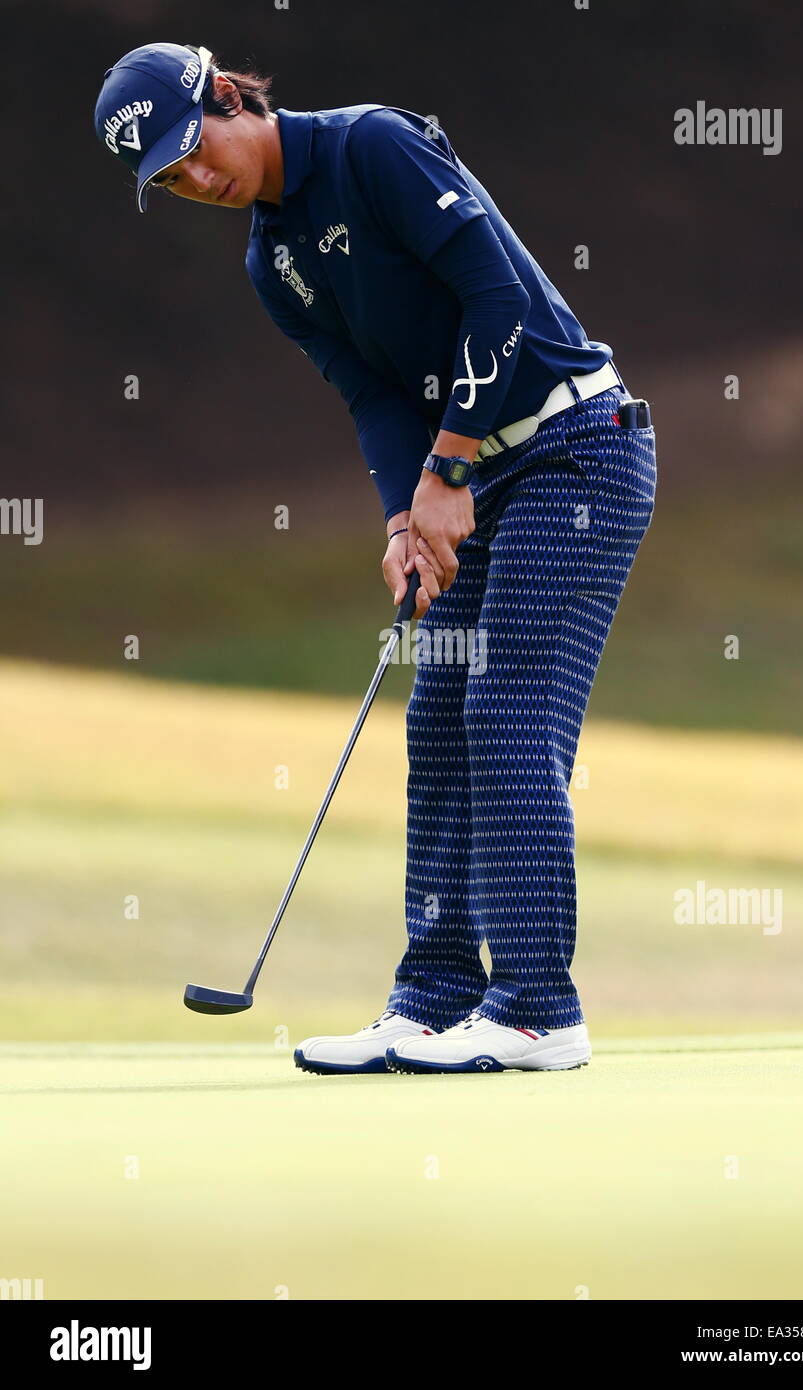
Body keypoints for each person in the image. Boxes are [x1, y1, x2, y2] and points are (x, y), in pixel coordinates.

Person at [95, 41, 657, 1074]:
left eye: (195, 151)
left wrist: (444, 475)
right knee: (437, 715)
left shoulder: (374, 147)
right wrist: (404, 517)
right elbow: (373, 396)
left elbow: (500, 302)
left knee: (502, 706)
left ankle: (537, 1008)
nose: (198, 181)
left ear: (225, 95)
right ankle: (434, 996)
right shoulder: (275, 265)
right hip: (475, 476)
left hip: (580, 450)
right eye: (171, 180)